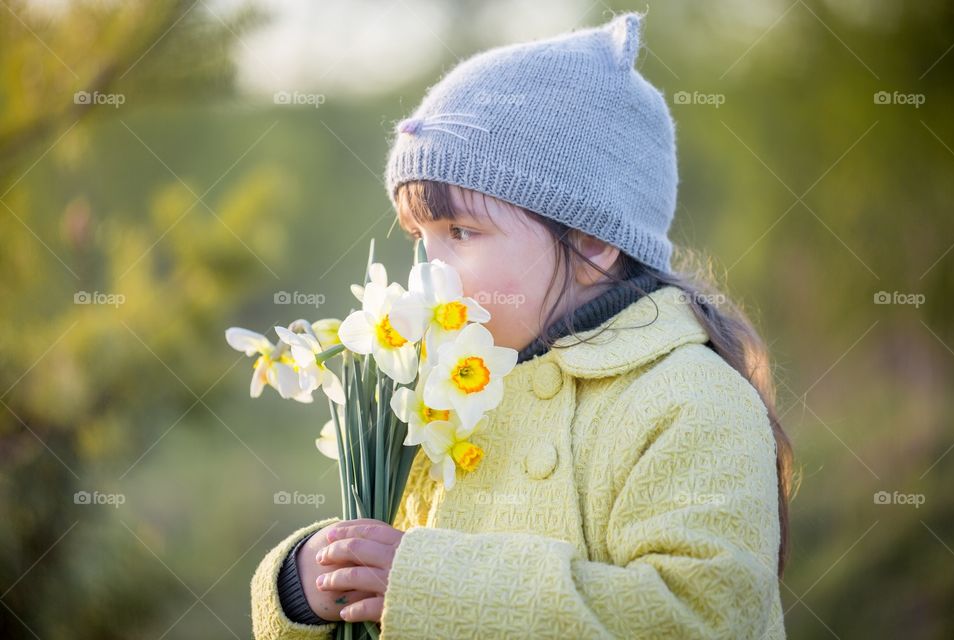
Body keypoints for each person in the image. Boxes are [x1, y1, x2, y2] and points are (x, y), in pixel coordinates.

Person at [251, 11, 792, 639]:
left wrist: (429, 585)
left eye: (461, 232)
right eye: (421, 238)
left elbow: (703, 617)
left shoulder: (691, 400)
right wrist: (308, 582)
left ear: (592, 243)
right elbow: (387, 576)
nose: (431, 272)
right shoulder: (447, 391)